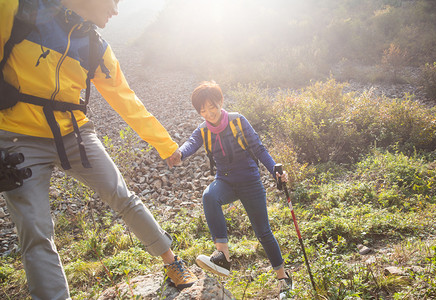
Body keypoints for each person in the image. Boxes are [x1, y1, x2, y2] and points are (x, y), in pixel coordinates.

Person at [0, 0, 197, 298]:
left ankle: (172, 262)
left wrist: (165, 144)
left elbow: (126, 100)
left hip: (75, 134)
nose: (116, 11)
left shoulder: (96, 46)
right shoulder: (16, 10)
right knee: (36, 233)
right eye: (114, 1)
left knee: (122, 196)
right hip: (18, 138)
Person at [170, 81, 293, 297]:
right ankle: (223, 257)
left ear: (221, 102)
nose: (209, 114)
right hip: (225, 182)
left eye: (212, 107)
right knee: (209, 196)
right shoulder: (203, 130)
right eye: (203, 111)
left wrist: (275, 170)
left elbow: (259, 148)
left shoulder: (238, 121)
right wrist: (179, 153)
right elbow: (190, 144)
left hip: (250, 181)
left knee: (263, 232)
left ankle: (283, 278)